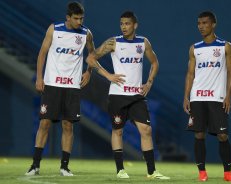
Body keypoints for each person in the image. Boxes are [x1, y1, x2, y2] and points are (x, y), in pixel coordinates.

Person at [25, 1, 122, 176]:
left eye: (82, 18)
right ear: (68, 17)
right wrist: (39, 77)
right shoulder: (54, 29)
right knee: (44, 123)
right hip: (52, 84)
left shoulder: (86, 33)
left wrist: (89, 72)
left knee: (68, 126)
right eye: (76, 18)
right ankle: (35, 165)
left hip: (72, 87)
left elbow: (92, 55)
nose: (79, 21)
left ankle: (64, 166)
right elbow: (42, 53)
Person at [87, 11, 170, 180]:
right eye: (121, 24)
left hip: (137, 96)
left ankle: (152, 171)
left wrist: (149, 82)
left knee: (146, 130)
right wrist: (108, 75)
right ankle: (120, 170)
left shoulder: (143, 42)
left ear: (135, 25)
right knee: (118, 131)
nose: (124, 26)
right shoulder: (113, 42)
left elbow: (154, 62)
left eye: (127, 23)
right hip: (118, 95)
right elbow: (91, 58)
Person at [183, 11, 231, 182]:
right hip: (197, 97)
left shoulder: (225, 46)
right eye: (199, 23)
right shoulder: (194, 48)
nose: (201, 26)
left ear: (213, 24)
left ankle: (228, 173)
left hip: (217, 98)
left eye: (205, 23)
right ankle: (202, 173)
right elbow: (190, 74)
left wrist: (228, 95)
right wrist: (186, 97)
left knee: (223, 136)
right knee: (199, 134)